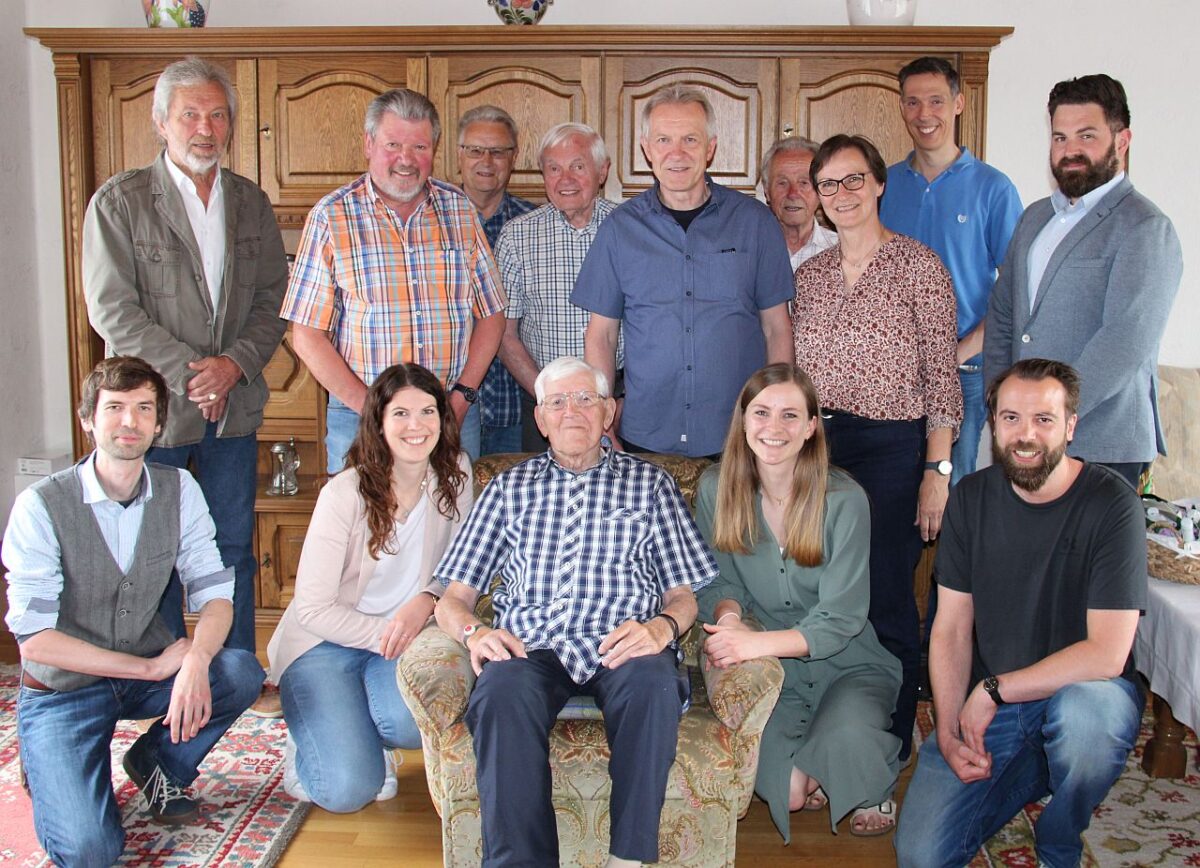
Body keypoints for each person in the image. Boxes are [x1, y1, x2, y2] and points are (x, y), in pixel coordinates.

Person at [433, 356, 718, 867]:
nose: (572, 411)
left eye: (586, 399)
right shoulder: (507, 488)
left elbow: (685, 595)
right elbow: (453, 600)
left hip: (622, 642)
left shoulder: (651, 485)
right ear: (540, 418)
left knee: (653, 683)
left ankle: (628, 859)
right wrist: (475, 633)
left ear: (608, 412)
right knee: (499, 693)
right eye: (558, 402)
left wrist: (663, 627)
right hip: (531, 646)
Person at [82, 57, 288, 714]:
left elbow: (273, 301)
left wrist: (232, 367)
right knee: (155, 554)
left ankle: (236, 679)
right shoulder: (120, 202)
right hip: (154, 418)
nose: (205, 128)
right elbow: (113, 310)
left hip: (232, 411)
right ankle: (165, 682)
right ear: (161, 122)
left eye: (217, 115)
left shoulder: (251, 203)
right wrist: (194, 374)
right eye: (190, 114)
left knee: (231, 549)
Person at [2, 357, 263, 867]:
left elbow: (215, 591)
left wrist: (196, 660)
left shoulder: (179, 488)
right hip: (63, 690)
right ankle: (50, 760)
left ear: (160, 423)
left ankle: (157, 761)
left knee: (238, 671)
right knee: (90, 851)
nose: (130, 421)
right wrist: (149, 667)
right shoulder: (40, 505)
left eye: (144, 408)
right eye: (115, 408)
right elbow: (34, 640)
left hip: (145, 676)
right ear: (87, 419)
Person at [895, 359, 1147, 868]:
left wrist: (994, 689)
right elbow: (951, 629)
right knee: (920, 857)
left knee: (1088, 723)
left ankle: (1060, 833)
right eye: (1011, 418)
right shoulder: (971, 499)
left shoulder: (1112, 503)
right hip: (1000, 711)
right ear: (993, 423)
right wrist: (948, 729)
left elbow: (1107, 653)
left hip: (1082, 694)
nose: (1026, 435)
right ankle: (1035, 769)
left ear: (1071, 426)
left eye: (1044, 420)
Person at [792, 134, 961, 761]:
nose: (842, 194)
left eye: (854, 179)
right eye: (828, 184)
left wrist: (936, 470)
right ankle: (826, 718)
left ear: (880, 183)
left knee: (886, 591)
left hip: (892, 447)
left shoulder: (919, 266)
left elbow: (943, 379)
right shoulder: (808, 277)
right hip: (818, 448)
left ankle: (891, 736)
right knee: (817, 588)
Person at [696, 363, 902, 840]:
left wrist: (754, 644)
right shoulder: (715, 488)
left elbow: (841, 617)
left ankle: (872, 768)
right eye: (762, 413)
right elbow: (716, 582)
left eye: (790, 415)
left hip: (849, 666)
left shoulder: (845, 499)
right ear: (743, 421)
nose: (775, 427)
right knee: (789, 794)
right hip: (779, 677)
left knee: (849, 738)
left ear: (811, 427)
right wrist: (731, 621)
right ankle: (825, 766)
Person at [267, 363, 472, 812]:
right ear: (378, 422)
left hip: (398, 640)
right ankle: (305, 744)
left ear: (443, 419)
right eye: (401, 413)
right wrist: (389, 632)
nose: (416, 426)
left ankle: (362, 734)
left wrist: (427, 598)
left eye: (427, 412)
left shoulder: (455, 474)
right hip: (325, 643)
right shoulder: (344, 493)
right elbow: (313, 609)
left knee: (412, 721)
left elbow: (460, 565)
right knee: (347, 792)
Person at [282, 88, 507, 467]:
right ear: (369, 144)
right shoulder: (331, 216)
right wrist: (373, 409)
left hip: (448, 413)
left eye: (419, 147)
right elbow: (307, 334)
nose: (406, 159)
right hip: (361, 416)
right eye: (393, 145)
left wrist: (462, 398)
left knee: (453, 507)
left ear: (434, 149)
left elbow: (492, 315)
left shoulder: (460, 211)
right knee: (362, 508)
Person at [983, 74, 1183, 491]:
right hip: (1025, 443)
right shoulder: (1035, 217)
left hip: (1103, 445)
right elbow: (1003, 314)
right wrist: (1002, 405)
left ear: (1122, 141)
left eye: (1086, 136)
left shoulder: (1145, 226)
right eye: (1060, 137)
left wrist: (1049, 419)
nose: (1070, 149)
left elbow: (1124, 340)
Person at [574, 84, 794, 459]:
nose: (677, 153)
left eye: (690, 139)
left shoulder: (756, 223)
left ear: (710, 147)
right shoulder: (619, 229)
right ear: (647, 149)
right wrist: (602, 421)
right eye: (664, 140)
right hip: (646, 434)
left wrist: (781, 416)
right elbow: (602, 336)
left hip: (740, 434)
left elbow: (777, 328)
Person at [880, 56, 1023, 484]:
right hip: (894, 369)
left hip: (965, 372)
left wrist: (960, 351)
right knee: (896, 490)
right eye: (913, 102)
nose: (924, 114)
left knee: (955, 494)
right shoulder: (882, 185)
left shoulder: (993, 188)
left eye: (936, 101)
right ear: (902, 107)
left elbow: (1017, 289)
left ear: (959, 104)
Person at [495, 121, 620, 451]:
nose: (565, 179)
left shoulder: (630, 229)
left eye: (578, 166)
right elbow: (504, 335)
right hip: (542, 398)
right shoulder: (516, 236)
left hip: (620, 401)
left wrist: (609, 406)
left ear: (602, 171)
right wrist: (549, 397)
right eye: (554, 168)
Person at [455, 104, 537, 455]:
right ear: (459, 154)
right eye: (475, 150)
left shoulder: (535, 225)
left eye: (498, 152)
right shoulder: (432, 219)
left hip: (517, 410)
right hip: (449, 408)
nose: (486, 161)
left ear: (514, 157)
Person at [761, 136, 838, 272]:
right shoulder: (747, 249)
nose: (793, 194)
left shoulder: (843, 251)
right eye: (782, 183)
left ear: (821, 190)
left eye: (804, 183)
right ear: (767, 191)